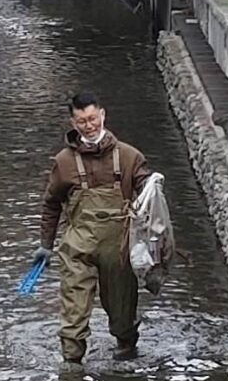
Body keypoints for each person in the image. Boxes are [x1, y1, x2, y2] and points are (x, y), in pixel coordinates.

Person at [32, 94, 150, 363]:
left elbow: (150, 203)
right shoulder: (63, 162)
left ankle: (126, 351)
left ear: (103, 116)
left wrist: (155, 246)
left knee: (122, 312)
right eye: (82, 121)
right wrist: (45, 245)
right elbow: (51, 205)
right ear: (73, 122)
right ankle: (72, 372)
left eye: (93, 119)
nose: (89, 126)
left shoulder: (130, 156)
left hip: (119, 248)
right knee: (73, 312)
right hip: (78, 245)